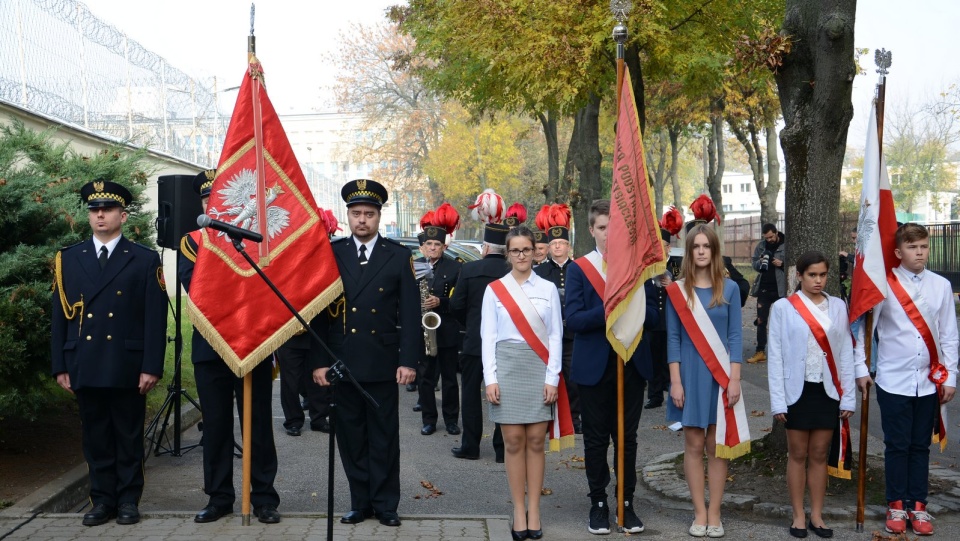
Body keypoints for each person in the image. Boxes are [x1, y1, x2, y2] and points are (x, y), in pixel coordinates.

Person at [51, 180, 166, 527]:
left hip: (127, 364)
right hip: (84, 361)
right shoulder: (69, 258)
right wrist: (60, 365)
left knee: (128, 436)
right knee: (96, 436)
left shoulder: (144, 259)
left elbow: (154, 319)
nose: (100, 215)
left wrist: (151, 366)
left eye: (108, 209)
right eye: (94, 210)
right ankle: (102, 500)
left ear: (123, 215)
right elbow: (59, 317)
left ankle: (128, 499)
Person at [312, 179, 420, 528]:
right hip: (343, 361)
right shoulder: (332, 253)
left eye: (369, 214)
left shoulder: (399, 255)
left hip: (383, 361)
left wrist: (408, 360)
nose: (362, 220)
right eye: (356, 213)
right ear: (348, 216)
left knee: (384, 437)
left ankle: (386, 504)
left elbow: (410, 313)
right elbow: (318, 311)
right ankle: (360, 502)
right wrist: (319, 361)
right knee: (351, 436)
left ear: (378, 216)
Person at [179, 170, 281, 524]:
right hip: (211, 348)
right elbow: (198, 292)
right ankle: (219, 496)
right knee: (217, 427)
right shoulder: (191, 243)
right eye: (206, 201)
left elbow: (268, 289)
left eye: (217, 200)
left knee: (259, 426)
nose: (212, 205)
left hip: (253, 343)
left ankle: (264, 497)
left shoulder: (253, 240)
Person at [855, 223, 958, 536]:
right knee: (897, 445)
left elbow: (949, 335)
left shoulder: (940, 285)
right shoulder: (883, 284)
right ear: (899, 252)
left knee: (920, 446)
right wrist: (861, 367)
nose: (920, 253)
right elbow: (864, 328)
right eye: (913, 248)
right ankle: (896, 503)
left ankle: (919, 505)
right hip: (893, 379)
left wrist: (951, 375)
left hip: (929, 381)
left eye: (924, 247)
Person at [566, 199, 656, 535]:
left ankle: (626, 502)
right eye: (602, 228)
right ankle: (599, 503)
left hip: (630, 364)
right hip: (594, 369)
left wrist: (640, 297)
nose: (608, 234)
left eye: (614, 228)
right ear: (592, 230)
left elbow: (655, 319)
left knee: (627, 440)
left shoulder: (635, 269)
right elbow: (573, 319)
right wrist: (611, 306)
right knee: (595, 440)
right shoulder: (579, 269)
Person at [482, 225, 567, 540]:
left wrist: (552, 378)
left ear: (535, 251)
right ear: (508, 253)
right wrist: (490, 379)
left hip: (539, 369)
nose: (521, 255)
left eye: (526, 250)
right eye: (515, 250)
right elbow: (488, 337)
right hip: (506, 368)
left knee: (535, 442)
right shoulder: (495, 290)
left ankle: (535, 510)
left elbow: (556, 335)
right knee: (513, 442)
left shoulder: (546, 289)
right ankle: (519, 510)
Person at [666, 223, 747, 539]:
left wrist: (735, 379)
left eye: (706, 246)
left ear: (714, 251)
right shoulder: (677, 289)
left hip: (721, 374)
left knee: (717, 445)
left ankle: (715, 512)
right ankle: (699, 512)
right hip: (688, 373)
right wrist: (675, 381)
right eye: (695, 246)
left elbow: (736, 336)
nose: (701, 251)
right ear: (689, 251)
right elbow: (673, 338)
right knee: (694, 443)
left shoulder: (729, 289)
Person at [767, 251, 855, 539]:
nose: (818, 280)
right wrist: (777, 400)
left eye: (822, 275)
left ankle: (817, 514)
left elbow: (845, 353)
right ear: (800, 276)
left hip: (828, 391)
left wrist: (848, 397)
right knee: (798, 453)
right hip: (797, 391)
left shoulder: (839, 307)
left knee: (819, 454)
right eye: (812, 275)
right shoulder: (783, 307)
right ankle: (798, 515)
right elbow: (776, 356)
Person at [450, 221, 511, 462]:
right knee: (502, 394)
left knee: (471, 394)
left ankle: (470, 446)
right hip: (505, 343)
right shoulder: (512, 271)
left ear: (485, 247)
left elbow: (456, 305)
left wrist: (470, 325)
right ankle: (502, 449)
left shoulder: (469, 269)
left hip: (475, 342)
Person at [534, 218, 581, 433]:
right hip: (548, 334)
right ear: (549, 247)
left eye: (561, 243)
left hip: (572, 333)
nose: (558, 247)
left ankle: (574, 417)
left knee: (572, 377)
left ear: (568, 246)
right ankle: (547, 417)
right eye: (553, 244)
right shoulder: (540, 272)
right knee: (547, 375)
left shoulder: (578, 269)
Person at [417, 224, 463, 436]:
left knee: (449, 379)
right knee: (425, 378)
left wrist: (441, 302)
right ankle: (429, 420)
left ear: (443, 247)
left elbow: (460, 300)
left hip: (446, 330)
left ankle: (451, 420)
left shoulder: (455, 267)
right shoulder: (413, 265)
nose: (433, 248)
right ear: (423, 247)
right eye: (429, 244)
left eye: (437, 244)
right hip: (423, 331)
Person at [646, 226, 683, 410]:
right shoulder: (647, 265)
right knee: (653, 359)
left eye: (663, 246)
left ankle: (673, 390)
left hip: (672, 320)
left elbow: (688, 287)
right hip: (653, 321)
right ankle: (654, 396)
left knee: (671, 357)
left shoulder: (678, 265)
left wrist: (673, 285)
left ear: (669, 248)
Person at [278, 326, 331, 436]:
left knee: (318, 379)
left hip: (314, 334)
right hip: (289, 334)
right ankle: (293, 421)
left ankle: (319, 419)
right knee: (290, 382)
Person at [748, 223, 786, 364]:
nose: (769, 240)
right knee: (761, 320)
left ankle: (782, 352)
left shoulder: (786, 244)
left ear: (776, 233)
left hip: (780, 290)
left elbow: (795, 264)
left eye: (771, 237)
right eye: (766, 237)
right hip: (764, 288)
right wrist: (761, 262)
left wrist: (782, 264)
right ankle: (760, 351)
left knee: (781, 322)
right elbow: (754, 264)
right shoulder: (761, 246)